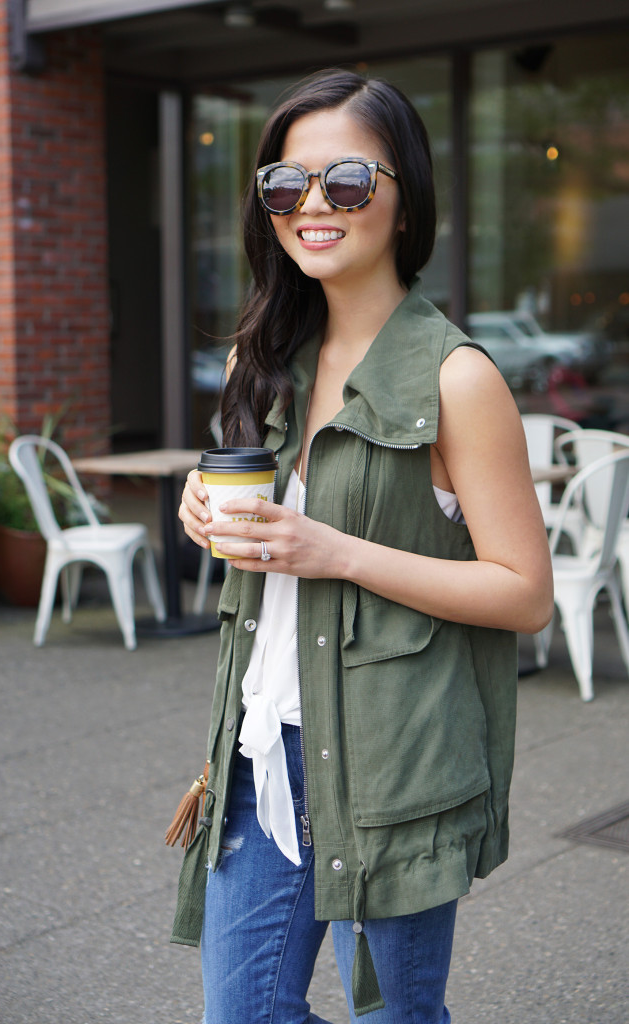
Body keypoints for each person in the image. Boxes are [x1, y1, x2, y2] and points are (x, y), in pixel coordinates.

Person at [171, 69, 553, 1024]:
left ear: (403, 195)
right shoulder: (259, 362)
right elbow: (266, 536)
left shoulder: (456, 377)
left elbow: (522, 593)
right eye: (283, 184)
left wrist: (332, 550)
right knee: (242, 1013)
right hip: (262, 745)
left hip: (394, 763)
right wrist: (202, 510)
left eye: (345, 180)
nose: (312, 205)